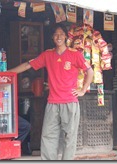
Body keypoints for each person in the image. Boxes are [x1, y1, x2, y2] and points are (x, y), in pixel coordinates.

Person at [8, 23, 94, 160]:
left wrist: (83, 90)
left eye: (61, 34)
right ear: (52, 37)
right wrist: (7, 73)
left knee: (69, 137)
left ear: (66, 36)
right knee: (48, 136)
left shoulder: (75, 54)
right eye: (55, 34)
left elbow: (90, 71)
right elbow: (27, 65)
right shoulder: (47, 55)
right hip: (52, 103)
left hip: (70, 102)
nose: (58, 37)